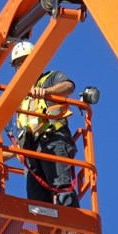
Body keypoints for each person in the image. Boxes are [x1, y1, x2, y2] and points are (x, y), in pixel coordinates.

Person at [6, 41, 80, 209]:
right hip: (31, 152)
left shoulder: (49, 79)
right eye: (18, 63)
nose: (22, 67)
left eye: (25, 61)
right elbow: (18, 142)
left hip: (52, 141)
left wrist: (47, 92)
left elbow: (69, 86)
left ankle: (71, 232)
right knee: (36, 202)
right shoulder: (18, 99)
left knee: (61, 187)